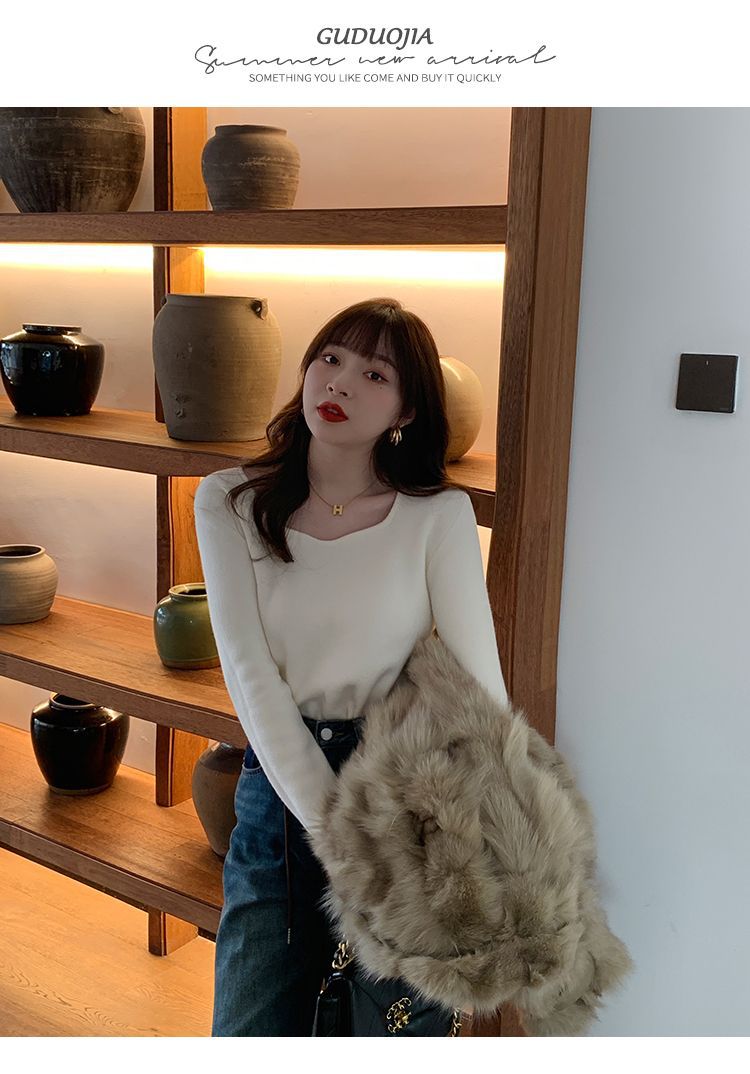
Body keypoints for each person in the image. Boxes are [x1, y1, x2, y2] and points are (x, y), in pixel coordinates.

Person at [193, 296, 509, 1036]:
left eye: (375, 374)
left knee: (390, 1030)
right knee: (251, 1023)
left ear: (406, 411)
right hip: (280, 790)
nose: (339, 383)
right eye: (330, 359)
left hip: (402, 793)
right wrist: (340, 838)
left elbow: (479, 689)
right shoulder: (230, 500)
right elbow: (249, 675)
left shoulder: (437, 516)